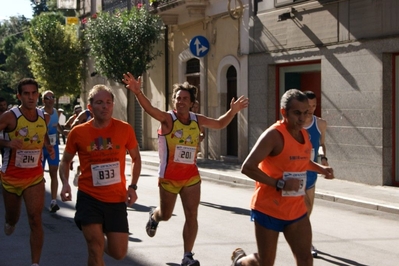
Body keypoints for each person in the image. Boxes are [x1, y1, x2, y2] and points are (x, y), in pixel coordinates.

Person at [122, 72, 249, 266]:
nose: (181, 102)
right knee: (165, 214)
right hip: (169, 178)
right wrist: (138, 93)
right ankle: (154, 216)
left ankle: (187, 256)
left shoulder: (197, 119)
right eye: (178, 98)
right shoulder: (168, 119)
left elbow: (219, 124)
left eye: (185, 99)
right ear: (174, 101)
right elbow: (150, 109)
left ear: (191, 103)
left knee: (192, 215)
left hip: (191, 177)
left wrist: (233, 111)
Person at [231, 89, 334, 266]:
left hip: (295, 209)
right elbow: (247, 167)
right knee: (266, 262)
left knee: (305, 259)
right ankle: (240, 262)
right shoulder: (273, 136)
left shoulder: (304, 134)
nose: (302, 118)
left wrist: (322, 169)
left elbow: (303, 161)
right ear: (284, 112)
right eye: (297, 113)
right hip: (268, 209)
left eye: (306, 113)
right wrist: (279, 183)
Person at [59, 84, 141, 266]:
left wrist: (133, 186)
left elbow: (136, 158)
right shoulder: (78, 132)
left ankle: (98, 240)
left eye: (108, 102)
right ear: (90, 107)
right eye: (99, 103)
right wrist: (65, 182)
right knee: (95, 250)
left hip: (116, 198)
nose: (105, 106)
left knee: (119, 253)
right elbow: (65, 161)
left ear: (113, 105)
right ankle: (95, 241)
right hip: (89, 198)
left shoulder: (125, 129)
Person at [0, 78, 55, 266]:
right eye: (26, 94)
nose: (31, 97)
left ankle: (35, 263)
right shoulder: (9, 117)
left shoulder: (44, 117)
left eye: (34, 93)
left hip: (34, 177)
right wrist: (7, 143)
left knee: (35, 218)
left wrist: (48, 145)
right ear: (19, 96)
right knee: (12, 218)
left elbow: (43, 131)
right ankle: (10, 221)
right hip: (10, 178)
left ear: (38, 95)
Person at [303, 90, 328, 257]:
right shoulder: (294, 122)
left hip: (311, 172)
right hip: (295, 171)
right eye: (308, 105)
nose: (311, 109)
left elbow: (321, 144)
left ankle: (300, 237)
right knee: (301, 210)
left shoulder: (320, 124)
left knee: (308, 208)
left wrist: (324, 157)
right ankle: (306, 243)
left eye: (314, 105)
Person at [41, 91, 63, 213]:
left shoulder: (56, 112)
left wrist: (63, 131)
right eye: (47, 97)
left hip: (53, 147)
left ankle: (53, 201)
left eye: (52, 97)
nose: (50, 99)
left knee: (54, 172)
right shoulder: (39, 113)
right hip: (41, 148)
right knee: (39, 176)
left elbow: (57, 124)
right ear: (43, 100)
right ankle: (38, 199)